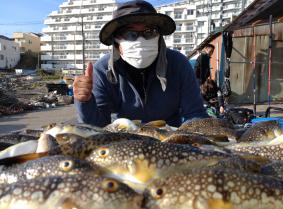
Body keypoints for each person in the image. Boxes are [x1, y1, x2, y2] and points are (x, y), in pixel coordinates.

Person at [73, 0, 208, 127]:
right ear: (116, 41)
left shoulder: (178, 64)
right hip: (125, 139)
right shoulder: (103, 70)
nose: (141, 40)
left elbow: (195, 113)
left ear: (159, 37)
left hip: (171, 140)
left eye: (149, 32)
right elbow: (98, 126)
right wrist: (84, 102)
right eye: (130, 33)